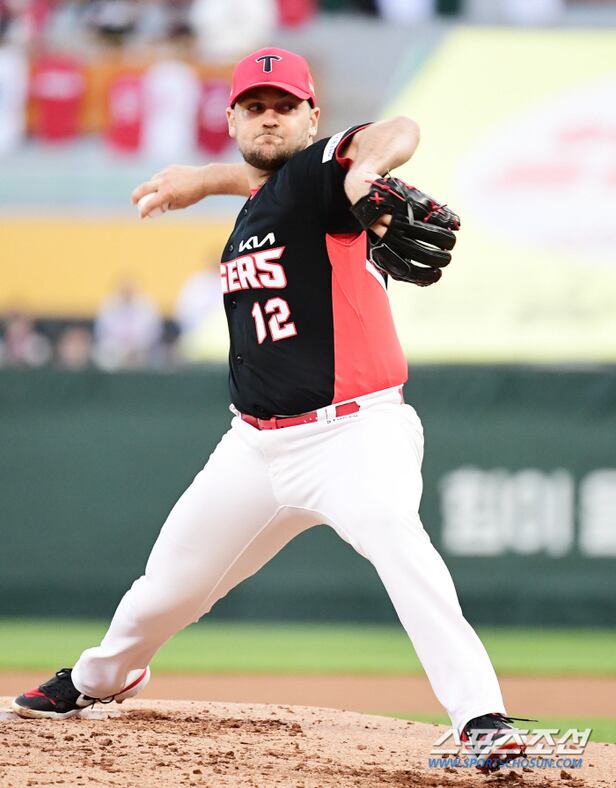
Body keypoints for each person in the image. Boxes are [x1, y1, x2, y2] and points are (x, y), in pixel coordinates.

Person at [13, 47, 525, 770]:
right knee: (163, 591)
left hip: (355, 434)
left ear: (313, 117)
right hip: (254, 448)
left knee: (397, 540)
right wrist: (203, 179)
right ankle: (102, 678)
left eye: (286, 105)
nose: (270, 117)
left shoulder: (328, 178)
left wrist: (368, 173)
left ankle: (481, 718)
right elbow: (259, 176)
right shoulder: (263, 201)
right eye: (255, 107)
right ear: (232, 119)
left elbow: (397, 130)